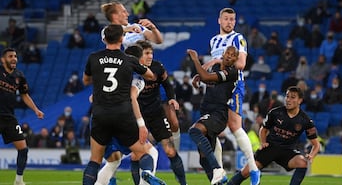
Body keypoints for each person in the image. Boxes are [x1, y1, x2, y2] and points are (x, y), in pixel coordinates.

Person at [81, 24, 164, 185]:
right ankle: (146, 173)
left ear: (104, 38)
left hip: (99, 114)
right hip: (122, 114)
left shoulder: (93, 57)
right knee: (147, 152)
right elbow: (150, 75)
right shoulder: (129, 60)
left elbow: (86, 80)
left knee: (95, 160)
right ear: (121, 39)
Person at [202, 7, 261, 185]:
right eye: (226, 19)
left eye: (232, 19)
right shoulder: (213, 41)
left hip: (234, 85)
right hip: (216, 87)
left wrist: (217, 61)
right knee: (212, 131)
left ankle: (253, 169)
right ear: (219, 20)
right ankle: (220, 173)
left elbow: (241, 64)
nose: (229, 22)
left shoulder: (238, 39)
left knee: (235, 126)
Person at [227, 86, 320, 185]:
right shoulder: (275, 112)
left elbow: (316, 144)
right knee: (246, 172)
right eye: (287, 96)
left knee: (302, 163)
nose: (288, 100)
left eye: (292, 97)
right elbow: (263, 129)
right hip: (270, 147)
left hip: (287, 151)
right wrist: (263, 142)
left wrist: (311, 155)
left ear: (300, 100)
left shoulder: (305, 120)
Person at [133, 40, 187, 185]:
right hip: (138, 115)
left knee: (170, 151)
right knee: (136, 155)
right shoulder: (132, 70)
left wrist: (172, 99)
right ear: (139, 55)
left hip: (156, 113)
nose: (150, 56)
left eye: (151, 53)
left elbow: (167, 84)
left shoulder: (158, 68)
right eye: (146, 53)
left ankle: (183, 183)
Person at [188, 46, 240, 185]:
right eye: (228, 53)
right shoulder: (216, 68)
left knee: (195, 131)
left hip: (218, 114)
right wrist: (199, 78)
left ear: (236, 60)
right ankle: (218, 181)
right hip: (206, 112)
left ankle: (218, 169)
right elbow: (209, 80)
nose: (229, 56)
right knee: (203, 158)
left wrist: (195, 59)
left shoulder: (232, 72)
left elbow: (207, 77)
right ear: (223, 54)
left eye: (233, 55)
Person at [0, 48, 44, 185]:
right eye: (10, 56)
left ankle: (19, 180)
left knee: (23, 149)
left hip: (9, 117)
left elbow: (24, 95)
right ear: (3, 59)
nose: (14, 58)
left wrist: (36, 110)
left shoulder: (19, 76)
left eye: (15, 56)